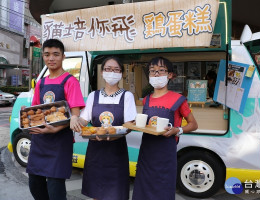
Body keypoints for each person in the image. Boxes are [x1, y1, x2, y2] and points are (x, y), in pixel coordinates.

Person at [25, 39, 85, 200]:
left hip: (60, 141)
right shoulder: (41, 83)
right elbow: (35, 109)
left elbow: (75, 113)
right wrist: (27, 114)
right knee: (35, 183)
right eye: (47, 54)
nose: (51, 58)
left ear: (63, 57)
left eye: (55, 54)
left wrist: (57, 128)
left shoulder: (70, 81)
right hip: (40, 140)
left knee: (55, 187)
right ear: (43, 57)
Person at [132, 57, 198, 200]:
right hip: (146, 154)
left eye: (161, 70)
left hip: (165, 156)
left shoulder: (179, 99)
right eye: (152, 71)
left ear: (170, 75)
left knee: (163, 191)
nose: (156, 74)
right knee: (143, 190)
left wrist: (177, 130)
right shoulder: (146, 99)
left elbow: (193, 124)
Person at [71, 56, 137, 200]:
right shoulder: (93, 96)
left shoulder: (127, 96)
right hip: (96, 152)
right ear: (102, 72)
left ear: (121, 74)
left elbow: (130, 124)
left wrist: (116, 132)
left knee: (116, 194)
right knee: (96, 193)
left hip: (116, 152)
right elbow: (84, 119)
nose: (112, 72)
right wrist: (75, 120)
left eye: (116, 69)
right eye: (108, 69)